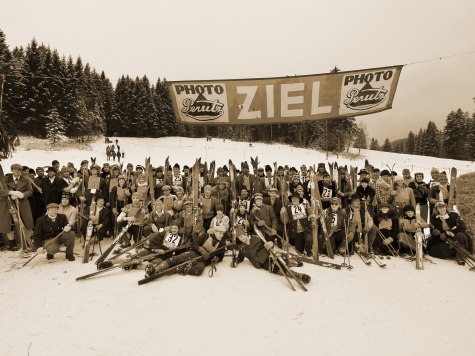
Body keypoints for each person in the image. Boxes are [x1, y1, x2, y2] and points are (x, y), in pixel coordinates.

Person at [0, 163, 35, 251]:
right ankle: (12, 243)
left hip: (22, 203)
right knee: (9, 224)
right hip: (8, 204)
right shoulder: (5, 179)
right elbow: (1, 190)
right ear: (12, 170)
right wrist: (10, 192)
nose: (17, 171)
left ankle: (27, 241)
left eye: (19, 170)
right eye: (15, 169)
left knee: (28, 222)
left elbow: (30, 190)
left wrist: (22, 195)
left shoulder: (26, 179)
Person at [280, 192, 316, 256]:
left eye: (296, 198)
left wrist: (312, 219)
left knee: (309, 239)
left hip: (306, 229)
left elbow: (311, 213)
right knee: (299, 250)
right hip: (296, 232)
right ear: (291, 200)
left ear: (299, 199)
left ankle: (308, 250)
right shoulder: (288, 209)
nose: (294, 200)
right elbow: (285, 222)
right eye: (293, 198)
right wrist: (282, 213)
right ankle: (302, 250)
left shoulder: (304, 206)